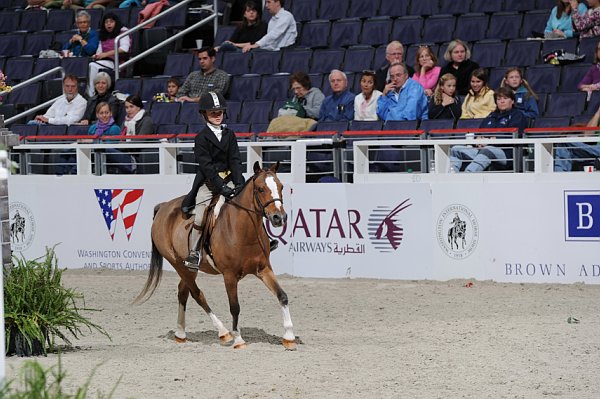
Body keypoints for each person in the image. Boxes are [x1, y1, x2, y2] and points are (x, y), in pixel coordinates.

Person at [180, 91, 245, 269]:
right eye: (212, 113)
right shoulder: (201, 139)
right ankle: (193, 253)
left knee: (250, 203)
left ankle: (263, 239)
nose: (217, 116)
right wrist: (221, 187)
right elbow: (207, 167)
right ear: (204, 115)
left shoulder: (230, 135)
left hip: (230, 178)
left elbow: (235, 160)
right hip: (209, 183)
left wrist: (239, 183)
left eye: (220, 112)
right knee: (200, 216)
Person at [450, 87, 527, 173]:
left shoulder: (517, 115)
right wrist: (478, 141)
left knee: (488, 150)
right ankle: (451, 175)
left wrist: (489, 141)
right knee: (456, 149)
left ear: (512, 101)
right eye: (498, 99)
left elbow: (513, 135)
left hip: (506, 153)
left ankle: (468, 174)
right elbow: (479, 133)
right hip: (483, 150)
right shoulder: (491, 116)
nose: (502, 101)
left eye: (505, 98)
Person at [87, 12, 130, 98]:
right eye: (106, 22)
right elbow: (99, 52)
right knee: (87, 63)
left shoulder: (123, 32)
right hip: (105, 61)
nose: (108, 24)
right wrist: (96, 56)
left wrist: (106, 54)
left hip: (118, 62)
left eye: (111, 21)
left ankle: (91, 94)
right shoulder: (103, 35)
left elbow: (125, 48)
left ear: (116, 22)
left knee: (92, 66)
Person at [89, 102, 136, 173]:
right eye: (101, 113)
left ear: (110, 113)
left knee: (102, 149)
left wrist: (91, 142)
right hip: (96, 155)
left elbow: (109, 146)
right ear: (97, 115)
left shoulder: (115, 128)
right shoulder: (92, 128)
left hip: (114, 155)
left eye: (106, 112)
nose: (104, 115)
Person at [554, 106, 600, 171]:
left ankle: (559, 177)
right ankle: (560, 177)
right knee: (564, 145)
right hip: (595, 149)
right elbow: (587, 135)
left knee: (566, 143)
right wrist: (598, 113)